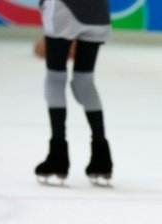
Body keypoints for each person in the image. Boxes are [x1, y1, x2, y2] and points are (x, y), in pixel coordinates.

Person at [34, 0, 113, 185]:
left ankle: (58, 155)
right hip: (98, 11)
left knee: (55, 78)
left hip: (64, 8)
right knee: (84, 81)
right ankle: (101, 157)